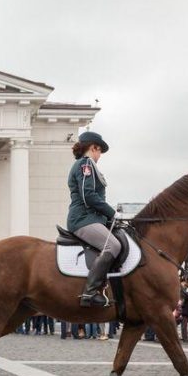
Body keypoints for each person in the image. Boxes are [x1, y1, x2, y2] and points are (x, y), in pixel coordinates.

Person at [66, 131, 119, 308]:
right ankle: (90, 292)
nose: (100, 156)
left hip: (92, 218)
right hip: (83, 219)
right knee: (113, 245)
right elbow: (88, 195)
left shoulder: (88, 165)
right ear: (93, 148)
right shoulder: (86, 164)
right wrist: (113, 214)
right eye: (99, 151)